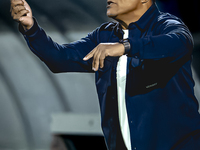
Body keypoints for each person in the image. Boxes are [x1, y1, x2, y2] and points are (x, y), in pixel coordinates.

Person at [10, 0, 200, 149]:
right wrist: (31, 28)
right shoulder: (105, 36)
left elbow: (180, 43)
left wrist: (125, 47)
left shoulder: (166, 26)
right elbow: (60, 58)